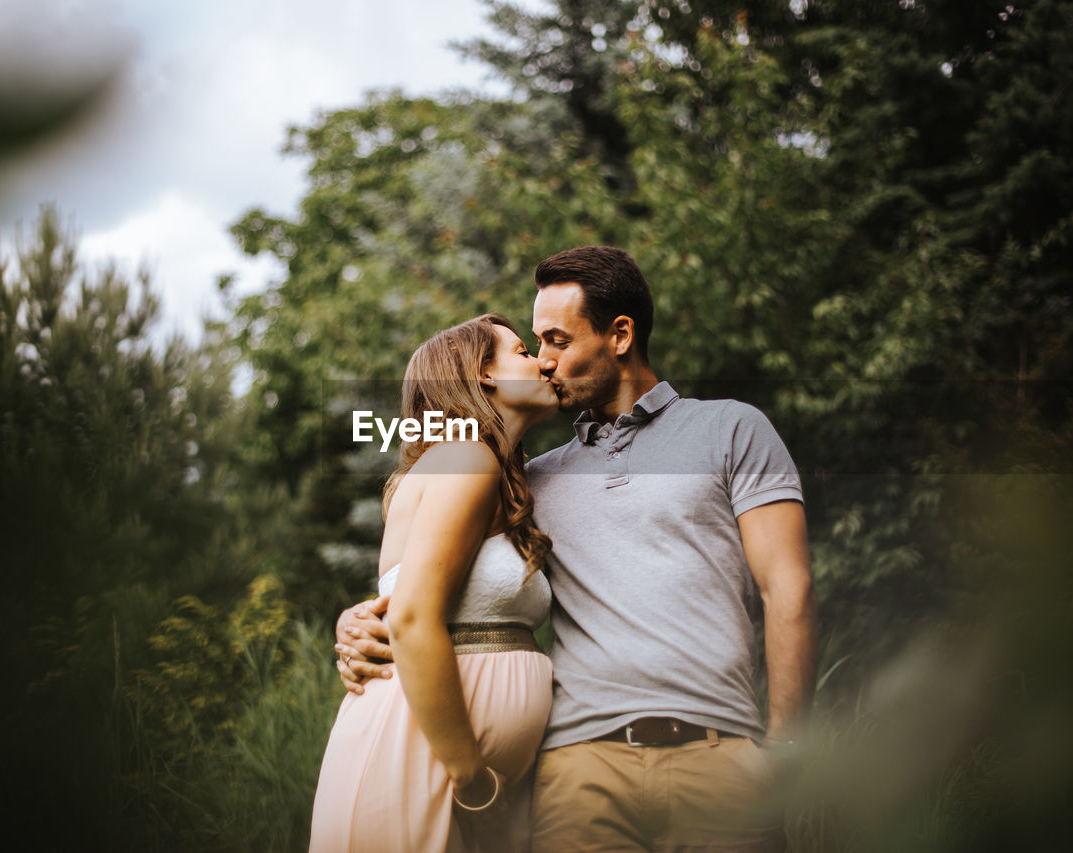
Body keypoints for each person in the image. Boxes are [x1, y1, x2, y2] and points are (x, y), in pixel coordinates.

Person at [336, 247, 817, 852]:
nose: (544, 362)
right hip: (576, 770)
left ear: (620, 336)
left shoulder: (731, 429)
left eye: (557, 341)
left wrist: (788, 747)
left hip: (720, 755)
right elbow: (442, 573)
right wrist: (358, 618)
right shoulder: (528, 480)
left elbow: (788, 589)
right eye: (534, 344)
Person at [309, 314, 560, 853]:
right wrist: (472, 779)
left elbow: (399, 596)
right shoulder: (467, 458)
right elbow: (410, 616)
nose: (541, 360)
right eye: (521, 351)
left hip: (468, 777)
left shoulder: (497, 474)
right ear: (483, 374)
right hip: (423, 761)